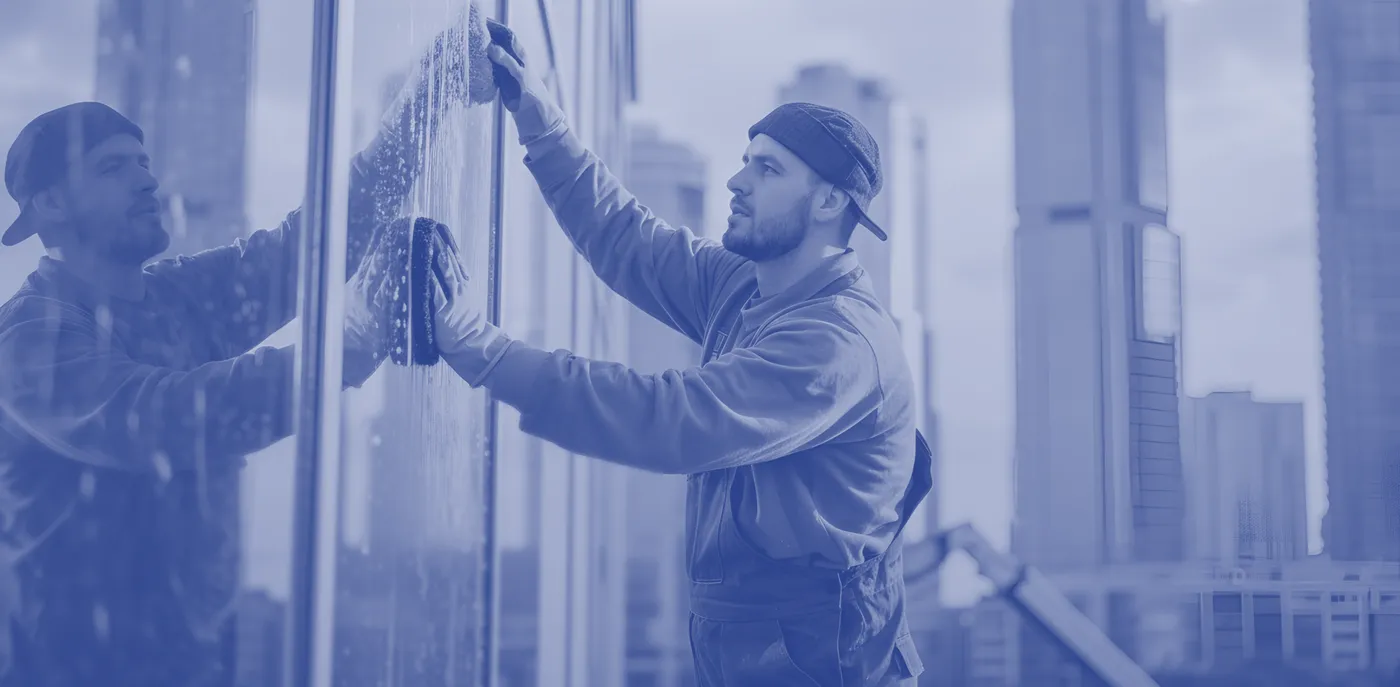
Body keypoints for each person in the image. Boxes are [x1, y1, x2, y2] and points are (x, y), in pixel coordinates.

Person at [426, 23, 932, 687]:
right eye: (747, 159)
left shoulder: (837, 344)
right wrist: (538, 115)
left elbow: (669, 418)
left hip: (826, 667)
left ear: (830, 201)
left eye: (768, 168)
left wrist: (484, 351)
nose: (736, 180)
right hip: (756, 652)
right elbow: (627, 238)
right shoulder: (747, 287)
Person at [0, 8, 496, 684]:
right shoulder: (29, 337)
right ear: (51, 206)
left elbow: (307, 246)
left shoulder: (173, 297)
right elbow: (166, 419)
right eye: (115, 167)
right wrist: (346, 343)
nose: (148, 180)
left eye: (144, 162)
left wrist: (427, 98)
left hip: (194, 664)